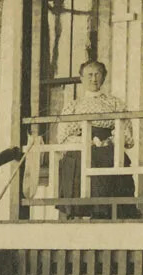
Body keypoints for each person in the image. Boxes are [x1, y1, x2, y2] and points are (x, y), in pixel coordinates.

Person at [55, 60, 134, 219]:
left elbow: (126, 132)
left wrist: (109, 141)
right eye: (89, 75)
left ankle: (104, 213)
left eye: (97, 74)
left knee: (111, 157)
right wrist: (84, 142)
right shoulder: (74, 106)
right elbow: (63, 136)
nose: (93, 79)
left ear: (104, 77)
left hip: (108, 145)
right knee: (77, 158)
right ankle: (77, 211)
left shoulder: (114, 103)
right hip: (81, 145)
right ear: (81, 78)